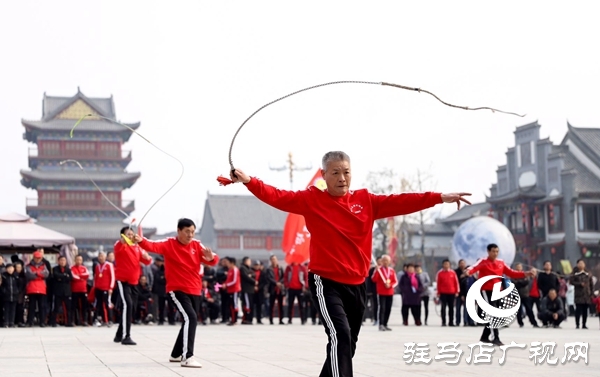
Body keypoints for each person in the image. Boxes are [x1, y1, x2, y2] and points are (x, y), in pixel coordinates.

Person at [230, 151, 470, 377]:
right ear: (323, 175)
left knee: (346, 345)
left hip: (357, 284)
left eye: (346, 172)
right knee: (340, 336)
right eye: (335, 172)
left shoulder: (366, 201)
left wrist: (439, 198)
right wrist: (249, 180)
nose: (342, 178)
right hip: (325, 282)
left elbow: (402, 201)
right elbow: (277, 195)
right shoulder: (311, 199)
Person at [133, 218, 219, 368]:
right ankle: (188, 357)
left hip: (195, 289)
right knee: (191, 317)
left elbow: (212, 259)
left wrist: (211, 258)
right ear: (178, 231)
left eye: (192, 232)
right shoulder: (169, 244)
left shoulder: (197, 245)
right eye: (187, 231)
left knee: (189, 320)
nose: (190, 235)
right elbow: (152, 246)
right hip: (177, 289)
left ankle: (175, 354)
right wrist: (140, 240)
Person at [466, 243, 536, 346]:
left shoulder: (501, 263)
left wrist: (526, 273)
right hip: (486, 290)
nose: (495, 253)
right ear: (488, 252)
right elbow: (473, 268)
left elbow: (512, 273)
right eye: (493, 251)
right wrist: (468, 271)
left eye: (497, 251)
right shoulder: (483, 262)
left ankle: (485, 337)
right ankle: (496, 338)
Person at [113, 227, 153, 345]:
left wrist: (147, 257)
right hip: (123, 281)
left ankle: (119, 334)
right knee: (128, 305)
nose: (131, 236)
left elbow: (147, 261)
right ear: (123, 236)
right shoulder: (119, 245)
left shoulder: (137, 248)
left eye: (132, 234)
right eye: (128, 234)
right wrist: (124, 240)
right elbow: (121, 242)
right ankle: (126, 336)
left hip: (134, 282)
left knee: (132, 308)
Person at [371, 255, 397, 331]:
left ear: (389, 262)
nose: (385, 262)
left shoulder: (392, 270)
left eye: (387, 260)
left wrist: (390, 285)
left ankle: (385, 324)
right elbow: (373, 279)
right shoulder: (378, 270)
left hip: (390, 292)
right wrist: (376, 271)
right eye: (384, 260)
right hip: (381, 292)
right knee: (382, 308)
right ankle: (381, 324)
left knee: (388, 308)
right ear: (381, 261)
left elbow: (395, 281)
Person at [25, 250, 50, 327]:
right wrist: (40, 275)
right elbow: (29, 275)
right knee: (31, 306)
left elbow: (46, 274)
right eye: (37, 258)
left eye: (39, 258)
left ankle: (42, 322)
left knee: (42, 306)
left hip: (41, 288)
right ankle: (30, 321)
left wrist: (36, 273)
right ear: (34, 257)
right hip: (32, 288)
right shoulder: (28, 266)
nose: (38, 259)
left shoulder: (44, 265)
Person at [512, 262, 539, 328]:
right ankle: (520, 323)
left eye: (520, 267)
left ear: (522, 268)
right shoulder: (513, 275)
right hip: (517, 294)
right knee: (518, 310)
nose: (519, 268)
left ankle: (534, 322)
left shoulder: (525, 274)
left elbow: (526, 282)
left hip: (525, 294)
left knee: (529, 309)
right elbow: (514, 283)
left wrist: (519, 282)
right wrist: (521, 282)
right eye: (517, 267)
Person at [93, 251, 115, 326]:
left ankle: (109, 320)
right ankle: (104, 320)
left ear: (105, 257)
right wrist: (95, 287)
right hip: (98, 288)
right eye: (99, 256)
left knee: (107, 304)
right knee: (99, 304)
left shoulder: (109, 265)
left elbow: (112, 277)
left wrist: (111, 288)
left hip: (106, 288)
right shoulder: (97, 266)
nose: (100, 258)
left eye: (102, 256)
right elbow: (95, 278)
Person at [50, 256, 73, 327]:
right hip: (58, 291)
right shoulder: (55, 269)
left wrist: (62, 277)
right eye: (61, 260)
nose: (62, 262)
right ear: (58, 261)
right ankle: (53, 322)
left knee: (69, 307)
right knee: (56, 308)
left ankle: (69, 322)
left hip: (67, 291)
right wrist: (64, 276)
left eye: (64, 260)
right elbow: (56, 276)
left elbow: (70, 278)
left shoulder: (68, 269)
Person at [436, 259, 459, 327]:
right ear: (443, 265)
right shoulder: (440, 273)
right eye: (445, 264)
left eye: (447, 264)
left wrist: (457, 291)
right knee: (443, 308)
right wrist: (438, 292)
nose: (446, 265)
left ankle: (451, 322)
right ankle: (443, 321)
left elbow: (456, 283)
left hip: (451, 293)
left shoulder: (453, 273)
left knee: (451, 308)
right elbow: (438, 283)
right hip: (443, 293)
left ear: (449, 265)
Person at [571, 259, 593, 329]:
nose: (581, 265)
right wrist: (579, 284)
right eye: (579, 263)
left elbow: (591, 284)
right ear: (577, 265)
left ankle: (584, 324)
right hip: (578, 295)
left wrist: (591, 293)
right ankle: (577, 324)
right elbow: (571, 282)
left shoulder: (588, 273)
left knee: (585, 310)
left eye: (582, 263)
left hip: (586, 294)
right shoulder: (575, 273)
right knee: (578, 310)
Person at [152, 255, 174, 325]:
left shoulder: (171, 270)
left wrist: (164, 278)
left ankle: (171, 320)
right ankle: (161, 320)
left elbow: (170, 279)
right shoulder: (158, 271)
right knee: (161, 306)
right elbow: (158, 280)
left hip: (170, 290)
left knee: (171, 306)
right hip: (161, 291)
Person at [71, 254, 90, 326]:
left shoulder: (84, 268)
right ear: (75, 260)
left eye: (80, 260)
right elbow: (74, 277)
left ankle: (84, 320)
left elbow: (87, 275)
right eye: (77, 260)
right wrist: (81, 277)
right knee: (74, 306)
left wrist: (79, 275)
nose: (79, 261)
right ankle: (73, 321)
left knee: (84, 306)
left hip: (83, 290)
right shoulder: (72, 268)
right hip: (74, 290)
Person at [266, 255, 285, 325]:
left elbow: (283, 277)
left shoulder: (281, 268)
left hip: (280, 289)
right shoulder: (269, 269)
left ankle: (281, 320)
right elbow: (269, 278)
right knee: (271, 305)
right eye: (272, 259)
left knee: (281, 306)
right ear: (271, 261)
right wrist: (276, 283)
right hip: (272, 289)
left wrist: (280, 283)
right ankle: (271, 319)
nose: (274, 260)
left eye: (275, 259)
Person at [222, 257, 241, 326]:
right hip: (230, 290)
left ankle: (235, 320)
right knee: (230, 305)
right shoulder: (230, 270)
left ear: (232, 263)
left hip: (235, 290)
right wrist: (225, 284)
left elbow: (234, 281)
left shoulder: (235, 270)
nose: (227, 264)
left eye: (228, 263)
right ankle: (232, 319)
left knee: (234, 305)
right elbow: (228, 280)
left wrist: (226, 285)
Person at [240, 256, 257, 325]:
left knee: (250, 304)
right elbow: (246, 277)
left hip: (251, 290)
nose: (250, 262)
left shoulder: (249, 269)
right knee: (247, 305)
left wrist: (251, 275)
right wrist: (254, 281)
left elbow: (254, 274)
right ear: (245, 261)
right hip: (246, 289)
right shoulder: (242, 268)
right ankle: (246, 318)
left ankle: (249, 318)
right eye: (249, 261)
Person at [366, 256, 382, 326]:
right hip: (374, 291)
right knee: (375, 305)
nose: (380, 262)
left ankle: (382, 320)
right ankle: (375, 319)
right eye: (379, 261)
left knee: (382, 306)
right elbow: (370, 281)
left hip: (382, 291)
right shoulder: (373, 270)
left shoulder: (386, 270)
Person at [453, 259, 468, 326]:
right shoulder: (455, 272)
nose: (462, 264)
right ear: (459, 264)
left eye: (463, 263)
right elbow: (456, 283)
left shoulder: (467, 272)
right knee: (458, 308)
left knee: (466, 309)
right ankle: (457, 321)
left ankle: (465, 321)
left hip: (466, 293)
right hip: (458, 293)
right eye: (461, 263)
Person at [253, 260, 266, 324]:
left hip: (260, 291)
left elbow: (264, 282)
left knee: (259, 306)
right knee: (252, 305)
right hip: (252, 291)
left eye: (258, 265)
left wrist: (258, 287)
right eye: (255, 265)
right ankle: (250, 318)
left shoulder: (262, 273)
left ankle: (259, 319)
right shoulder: (251, 272)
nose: (256, 266)